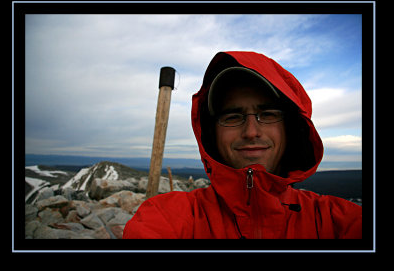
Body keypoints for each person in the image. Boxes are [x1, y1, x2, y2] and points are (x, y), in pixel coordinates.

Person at [123, 51, 362, 239]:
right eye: (232, 117)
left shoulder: (336, 221)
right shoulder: (169, 217)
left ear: (290, 128)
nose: (250, 132)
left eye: (267, 114)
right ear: (212, 133)